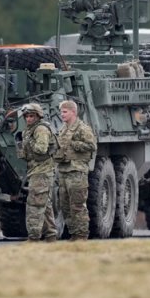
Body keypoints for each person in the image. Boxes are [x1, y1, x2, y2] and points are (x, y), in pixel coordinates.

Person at [54, 100, 97, 241]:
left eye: (65, 112)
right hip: (64, 170)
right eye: (61, 112)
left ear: (73, 112)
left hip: (77, 171)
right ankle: (74, 233)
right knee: (65, 205)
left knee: (77, 205)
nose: (62, 115)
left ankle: (82, 235)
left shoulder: (82, 128)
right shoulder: (64, 128)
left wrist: (72, 144)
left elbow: (91, 146)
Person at [16, 103, 57, 243]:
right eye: (26, 116)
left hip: (42, 171)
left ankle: (34, 238)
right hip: (36, 170)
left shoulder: (40, 129)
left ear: (38, 116)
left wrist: (29, 141)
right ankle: (51, 236)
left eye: (31, 116)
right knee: (45, 205)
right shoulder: (29, 130)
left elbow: (41, 149)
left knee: (34, 204)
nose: (28, 119)